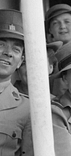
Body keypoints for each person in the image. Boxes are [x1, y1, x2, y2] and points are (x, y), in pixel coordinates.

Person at [0, 9, 33, 156]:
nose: (8, 53)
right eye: (1, 44)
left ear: (20, 62)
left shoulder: (26, 108)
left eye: (16, 49)